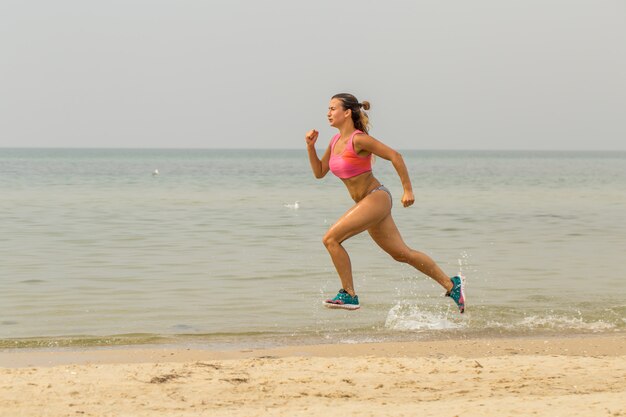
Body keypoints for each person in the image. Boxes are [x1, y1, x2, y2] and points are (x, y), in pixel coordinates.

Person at [305, 93, 465, 313]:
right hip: (367, 204)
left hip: (376, 197)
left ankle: (349, 294)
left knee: (331, 239)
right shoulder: (334, 142)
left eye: (333, 108)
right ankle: (451, 284)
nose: (328, 112)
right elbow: (319, 172)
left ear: (347, 112)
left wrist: (407, 189)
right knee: (401, 254)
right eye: (328, 108)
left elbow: (395, 156)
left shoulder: (358, 139)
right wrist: (310, 147)